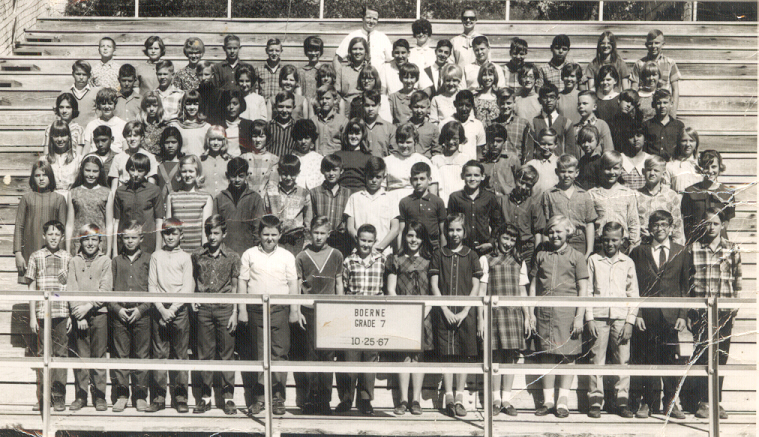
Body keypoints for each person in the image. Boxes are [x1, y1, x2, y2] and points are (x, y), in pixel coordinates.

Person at [628, 210, 691, 419]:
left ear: (671, 228)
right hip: (647, 316)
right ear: (649, 228)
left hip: (671, 316)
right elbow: (634, 286)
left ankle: (671, 402)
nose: (660, 229)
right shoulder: (639, 252)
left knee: (671, 360)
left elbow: (685, 286)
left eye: (664, 224)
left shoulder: (681, 251)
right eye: (655, 225)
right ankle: (647, 401)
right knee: (647, 359)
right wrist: (637, 313)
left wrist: (682, 314)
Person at [238, 215, 300, 416]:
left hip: (279, 309)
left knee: (279, 353)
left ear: (280, 235)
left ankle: (278, 398)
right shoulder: (249, 254)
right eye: (266, 234)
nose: (269, 239)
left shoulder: (287, 256)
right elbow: (242, 283)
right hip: (256, 310)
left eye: (274, 235)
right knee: (258, 353)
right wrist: (242, 309)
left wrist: (294, 310)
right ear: (259, 234)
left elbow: (293, 284)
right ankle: (259, 398)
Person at [530, 215, 588, 418]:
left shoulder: (577, 256)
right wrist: (531, 312)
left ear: (568, 232)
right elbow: (533, 286)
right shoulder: (541, 255)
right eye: (551, 232)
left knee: (567, 356)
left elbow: (583, 289)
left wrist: (579, 316)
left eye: (559, 231)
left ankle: (562, 401)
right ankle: (548, 401)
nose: (555, 235)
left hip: (567, 313)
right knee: (546, 354)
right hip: (545, 312)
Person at [688, 207, 741, 420]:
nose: (711, 227)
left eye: (715, 224)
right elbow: (688, 280)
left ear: (723, 225)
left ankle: (715, 401)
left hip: (723, 310)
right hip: (701, 310)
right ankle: (702, 402)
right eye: (707, 223)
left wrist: (734, 305)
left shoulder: (732, 248)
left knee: (721, 354)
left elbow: (737, 279)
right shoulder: (694, 248)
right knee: (702, 354)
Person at [430, 213, 482, 417]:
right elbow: (434, 285)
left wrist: (465, 311)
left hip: (465, 313)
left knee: (464, 355)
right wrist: (444, 309)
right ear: (446, 231)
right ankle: (449, 398)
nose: (454, 234)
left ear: (465, 232)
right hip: (444, 312)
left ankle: (460, 397)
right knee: (446, 355)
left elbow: (476, 286)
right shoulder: (439, 254)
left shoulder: (471, 255)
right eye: (451, 230)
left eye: (458, 230)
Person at [585, 221, 639, 419]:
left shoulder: (627, 262)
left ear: (622, 240)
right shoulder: (593, 260)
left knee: (622, 360)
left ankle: (622, 401)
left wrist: (630, 321)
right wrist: (589, 318)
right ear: (601, 239)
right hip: (598, 317)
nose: (610, 244)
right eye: (606, 240)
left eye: (614, 240)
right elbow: (588, 291)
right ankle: (595, 401)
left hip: (620, 317)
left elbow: (633, 294)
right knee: (596, 359)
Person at [191, 215, 241, 415]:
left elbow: (235, 287)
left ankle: (228, 398)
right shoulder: (197, 255)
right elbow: (194, 278)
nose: (212, 237)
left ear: (224, 234)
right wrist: (194, 297)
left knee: (227, 354)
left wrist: (235, 312)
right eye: (209, 233)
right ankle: (205, 397)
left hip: (225, 309)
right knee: (205, 354)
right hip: (204, 309)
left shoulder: (233, 257)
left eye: (216, 233)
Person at [479, 223, 531, 417]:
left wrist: (527, 316)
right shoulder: (486, 259)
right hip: (494, 314)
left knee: (510, 356)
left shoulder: (519, 261)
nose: (508, 243)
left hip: (513, 314)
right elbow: (482, 292)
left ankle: (506, 399)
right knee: (494, 357)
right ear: (498, 237)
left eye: (512, 240)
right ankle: (495, 400)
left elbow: (523, 291)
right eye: (505, 238)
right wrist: (481, 319)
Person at [295, 216, 345, 415]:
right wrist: (297, 310)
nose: (318, 237)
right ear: (310, 233)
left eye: (322, 233)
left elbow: (339, 283)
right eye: (315, 232)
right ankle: (310, 399)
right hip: (309, 310)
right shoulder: (302, 256)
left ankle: (324, 400)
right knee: (311, 355)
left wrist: (340, 308)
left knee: (327, 356)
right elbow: (298, 286)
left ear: (328, 234)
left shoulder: (336, 255)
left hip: (329, 311)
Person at [335, 223, 386, 415]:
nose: (366, 244)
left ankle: (365, 399)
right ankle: (346, 399)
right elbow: (343, 286)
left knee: (370, 357)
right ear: (357, 239)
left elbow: (384, 287)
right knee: (350, 357)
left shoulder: (382, 260)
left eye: (369, 241)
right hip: (353, 315)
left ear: (375, 241)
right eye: (363, 240)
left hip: (374, 316)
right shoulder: (349, 261)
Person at [145, 218, 194, 413]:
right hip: (160, 310)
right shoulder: (156, 256)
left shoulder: (186, 258)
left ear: (181, 235)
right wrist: (162, 309)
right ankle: (158, 398)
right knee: (160, 354)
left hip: (179, 310)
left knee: (180, 354)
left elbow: (187, 287)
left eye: (174, 233)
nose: (170, 237)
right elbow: (152, 284)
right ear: (162, 235)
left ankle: (180, 398)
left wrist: (172, 309)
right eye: (167, 233)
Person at [387, 221, 434, 416]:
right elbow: (391, 289)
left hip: (424, 314)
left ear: (423, 239)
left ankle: (416, 400)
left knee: (418, 356)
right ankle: (403, 400)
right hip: (402, 314)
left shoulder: (429, 261)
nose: (414, 240)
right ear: (404, 237)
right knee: (404, 356)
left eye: (417, 236)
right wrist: (404, 312)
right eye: (410, 235)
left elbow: (433, 291)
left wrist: (424, 311)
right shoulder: (395, 260)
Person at [26, 220, 72, 412]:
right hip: (42, 312)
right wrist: (32, 316)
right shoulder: (36, 256)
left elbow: (70, 288)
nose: (54, 238)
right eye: (50, 234)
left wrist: (70, 315)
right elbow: (31, 287)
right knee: (43, 354)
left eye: (57, 234)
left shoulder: (67, 257)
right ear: (44, 236)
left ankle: (59, 396)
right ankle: (43, 397)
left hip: (61, 312)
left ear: (62, 237)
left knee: (61, 353)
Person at [109, 221, 152, 412]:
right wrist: (117, 308)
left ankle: (140, 395)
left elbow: (153, 288)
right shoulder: (116, 261)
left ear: (141, 238)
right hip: (120, 314)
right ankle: (122, 395)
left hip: (142, 314)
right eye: (126, 237)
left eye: (134, 237)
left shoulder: (149, 259)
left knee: (141, 355)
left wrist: (141, 309)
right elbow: (109, 290)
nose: (129, 241)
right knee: (121, 355)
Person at [68, 224, 113, 412]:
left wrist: (89, 306)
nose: (90, 243)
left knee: (99, 355)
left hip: (99, 314)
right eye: (86, 239)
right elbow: (72, 288)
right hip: (80, 316)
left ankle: (100, 395)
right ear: (81, 241)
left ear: (100, 242)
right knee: (82, 356)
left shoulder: (105, 261)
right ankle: (81, 395)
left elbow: (106, 289)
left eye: (94, 239)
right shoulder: (74, 261)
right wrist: (78, 313)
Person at [15, 161, 67, 284]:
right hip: (30, 248)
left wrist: (63, 255)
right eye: (37, 175)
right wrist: (18, 253)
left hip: (53, 251)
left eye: (45, 175)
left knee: (50, 283)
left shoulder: (59, 199)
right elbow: (19, 226)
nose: (41, 179)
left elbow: (63, 229)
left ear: (51, 177)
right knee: (32, 284)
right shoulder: (27, 198)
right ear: (33, 178)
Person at [541, 154, 597, 258]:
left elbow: (589, 223)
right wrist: (546, 248)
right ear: (556, 172)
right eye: (563, 171)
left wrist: (589, 250)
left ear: (577, 173)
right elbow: (546, 224)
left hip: (579, 241)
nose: (566, 175)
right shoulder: (549, 194)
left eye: (570, 172)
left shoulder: (584, 195)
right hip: (557, 240)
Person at [345, 157, 400, 255]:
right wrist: (363, 245)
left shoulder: (391, 199)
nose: (374, 180)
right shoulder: (355, 198)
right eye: (371, 176)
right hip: (359, 252)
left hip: (384, 252)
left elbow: (395, 229)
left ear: (384, 177)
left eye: (378, 177)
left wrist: (379, 248)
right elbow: (350, 227)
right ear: (365, 176)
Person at [589, 151, 641, 252]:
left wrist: (633, 244)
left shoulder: (628, 193)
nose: (612, 172)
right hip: (600, 244)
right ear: (601, 169)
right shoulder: (592, 194)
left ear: (621, 170)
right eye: (608, 168)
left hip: (622, 245)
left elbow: (633, 221)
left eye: (615, 168)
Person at [112, 153, 163, 255]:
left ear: (147, 171)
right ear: (127, 169)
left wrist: (158, 249)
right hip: (125, 244)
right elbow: (116, 221)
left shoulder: (154, 190)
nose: (135, 174)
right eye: (132, 169)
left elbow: (159, 221)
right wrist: (115, 252)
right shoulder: (120, 191)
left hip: (148, 244)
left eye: (140, 171)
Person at [448, 160, 502, 256]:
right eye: (468, 175)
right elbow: (449, 224)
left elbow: (497, 222)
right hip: (462, 247)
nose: (472, 179)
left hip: (484, 247)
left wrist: (491, 242)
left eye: (476, 175)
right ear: (462, 176)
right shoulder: (455, 197)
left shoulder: (489, 197)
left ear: (482, 177)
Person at [213, 157, 265, 255]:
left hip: (248, 252)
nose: (237, 180)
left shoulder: (255, 198)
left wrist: (257, 252)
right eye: (233, 176)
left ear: (247, 176)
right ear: (227, 175)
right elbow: (214, 228)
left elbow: (258, 229)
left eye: (241, 176)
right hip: (225, 253)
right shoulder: (220, 198)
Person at [681, 149, 735, 243]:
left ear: (720, 167)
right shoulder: (690, 192)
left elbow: (726, 220)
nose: (710, 171)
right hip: (697, 241)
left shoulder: (727, 193)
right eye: (706, 167)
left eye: (714, 167)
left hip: (719, 242)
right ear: (700, 168)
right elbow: (686, 222)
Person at [263, 155, 313, 255]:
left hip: (296, 241)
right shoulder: (271, 193)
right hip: (276, 240)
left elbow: (308, 221)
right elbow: (265, 217)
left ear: (298, 173)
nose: (288, 178)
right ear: (279, 172)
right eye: (285, 174)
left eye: (292, 174)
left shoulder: (304, 193)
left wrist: (308, 241)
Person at [499, 164, 545, 271]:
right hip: (507, 246)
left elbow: (538, 231)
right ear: (516, 179)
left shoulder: (534, 204)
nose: (523, 187)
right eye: (521, 182)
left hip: (527, 249)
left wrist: (536, 254)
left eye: (528, 185)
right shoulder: (503, 201)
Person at [67, 155, 114, 255]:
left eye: (95, 171)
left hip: (100, 243)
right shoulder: (73, 192)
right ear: (82, 170)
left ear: (100, 172)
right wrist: (68, 251)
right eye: (88, 170)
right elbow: (70, 224)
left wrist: (109, 251)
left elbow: (109, 224)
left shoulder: (107, 193)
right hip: (78, 243)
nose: (91, 175)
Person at [166, 155, 214, 252]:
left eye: (191, 171)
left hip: (197, 250)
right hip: (176, 251)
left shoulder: (206, 197)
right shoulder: (172, 196)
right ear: (180, 173)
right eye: (184, 171)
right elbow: (168, 227)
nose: (187, 175)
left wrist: (203, 252)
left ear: (197, 173)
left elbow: (205, 229)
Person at [636, 155, 685, 245]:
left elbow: (677, 226)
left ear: (663, 173)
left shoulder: (671, 196)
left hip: (664, 244)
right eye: (649, 170)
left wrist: (677, 248)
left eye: (656, 170)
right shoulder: (636, 195)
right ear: (643, 171)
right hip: (642, 244)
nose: (652, 173)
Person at [631, 29, 680, 115]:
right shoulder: (639, 64)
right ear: (646, 45)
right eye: (650, 43)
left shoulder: (670, 63)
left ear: (663, 44)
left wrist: (673, 111)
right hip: (645, 106)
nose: (653, 46)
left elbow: (675, 89)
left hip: (662, 106)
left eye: (657, 43)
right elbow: (634, 88)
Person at [399, 162, 446, 251]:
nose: (418, 182)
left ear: (429, 180)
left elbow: (443, 232)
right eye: (415, 179)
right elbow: (401, 231)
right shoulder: (405, 202)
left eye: (422, 179)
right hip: (413, 245)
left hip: (433, 246)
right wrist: (400, 252)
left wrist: (443, 253)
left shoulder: (437, 201)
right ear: (410, 180)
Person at [384, 123, 439, 199]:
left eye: (408, 142)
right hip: (392, 199)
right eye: (401, 142)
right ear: (396, 142)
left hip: (417, 200)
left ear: (415, 142)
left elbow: (433, 187)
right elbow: (381, 188)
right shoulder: (387, 161)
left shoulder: (423, 160)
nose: (404, 146)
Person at [333, 4, 392, 69]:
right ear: (363, 18)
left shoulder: (383, 38)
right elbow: (337, 59)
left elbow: (391, 60)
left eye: (374, 19)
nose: (371, 21)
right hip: (356, 75)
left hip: (378, 75)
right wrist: (339, 75)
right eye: (369, 17)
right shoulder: (352, 36)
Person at [524, 84, 572, 160]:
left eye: (552, 97)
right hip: (539, 164)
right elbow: (529, 152)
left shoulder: (566, 123)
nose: (549, 100)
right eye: (545, 97)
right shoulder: (533, 123)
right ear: (539, 100)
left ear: (557, 99)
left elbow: (570, 152)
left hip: (560, 165)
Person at [109, 121, 159, 190]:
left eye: (135, 136)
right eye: (129, 136)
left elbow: (151, 186)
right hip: (124, 193)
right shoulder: (118, 158)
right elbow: (114, 187)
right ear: (125, 137)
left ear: (142, 137)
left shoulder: (150, 157)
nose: (132, 139)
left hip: (143, 193)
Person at [565, 91, 614, 159]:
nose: (581, 106)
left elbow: (608, 151)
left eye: (585, 103)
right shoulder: (575, 128)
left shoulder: (601, 125)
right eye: (579, 104)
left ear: (594, 107)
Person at [441, 90, 485, 161]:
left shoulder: (477, 125)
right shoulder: (445, 123)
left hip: (470, 166)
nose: (464, 109)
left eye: (468, 105)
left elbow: (479, 151)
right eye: (461, 105)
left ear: (472, 106)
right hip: (450, 164)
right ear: (455, 104)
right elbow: (440, 147)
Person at [431, 120, 468, 205]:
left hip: (462, 203)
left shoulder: (465, 159)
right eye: (448, 138)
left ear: (460, 139)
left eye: (455, 138)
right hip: (443, 203)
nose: (451, 142)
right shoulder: (436, 160)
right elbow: (433, 187)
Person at [239, 119, 279, 196]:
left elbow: (272, 186)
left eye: (261, 136)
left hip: (264, 199)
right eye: (254, 136)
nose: (257, 140)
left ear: (267, 137)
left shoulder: (273, 160)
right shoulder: (243, 158)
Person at [642, 89, 684, 160]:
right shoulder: (646, 125)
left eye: (665, 102)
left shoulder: (678, 125)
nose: (662, 106)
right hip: (652, 162)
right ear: (653, 105)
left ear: (671, 104)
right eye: (659, 103)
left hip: (672, 162)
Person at [83, 87, 126, 154]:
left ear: (114, 105)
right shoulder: (91, 125)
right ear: (99, 105)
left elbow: (125, 150)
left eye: (110, 103)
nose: (106, 107)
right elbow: (86, 149)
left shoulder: (122, 124)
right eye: (103, 104)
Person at [480, 123, 520, 197]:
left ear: (504, 141)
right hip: (489, 200)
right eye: (491, 140)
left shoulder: (512, 158)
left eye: (499, 141)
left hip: (508, 199)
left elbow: (518, 179)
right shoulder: (483, 161)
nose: (495, 144)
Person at [334, 118, 372, 192]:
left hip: (360, 193)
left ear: (362, 135)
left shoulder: (368, 157)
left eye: (357, 133)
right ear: (346, 134)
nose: (354, 136)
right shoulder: (338, 155)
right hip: (341, 193)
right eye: (351, 133)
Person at [492, 88, 529, 162]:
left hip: (516, 165)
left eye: (508, 103)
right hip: (497, 165)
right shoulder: (492, 124)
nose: (505, 107)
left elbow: (526, 150)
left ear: (514, 103)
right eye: (502, 103)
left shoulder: (523, 124)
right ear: (497, 103)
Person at [45, 120, 81, 196]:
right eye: (56, 136)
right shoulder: (45, 160)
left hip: (71, 197)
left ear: (69, 137)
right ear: (51, 138)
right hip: (51, 197)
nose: (60, 139)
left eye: (63, 135)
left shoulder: (77, 159)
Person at [172, 90, 211, 158]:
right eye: (188, 104)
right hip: (183, 162)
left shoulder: (206, 127)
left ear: (200, 106)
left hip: (201, 161)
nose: (192, 107)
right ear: (183, 105)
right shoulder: (176, 126)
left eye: (195, 104)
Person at [311, 85, 347, 156]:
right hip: (317, 159)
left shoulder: (343, 121)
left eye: (327, 98)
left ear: (335, 100)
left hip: (335, 159)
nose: (324, 101)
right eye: (321, 98)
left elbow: (346, 146)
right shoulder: (313, 121)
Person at [335, 37, 368, 115]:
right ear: (350, 51)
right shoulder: (342, 70)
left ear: (366, 52)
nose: (357, 52)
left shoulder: (370, 70)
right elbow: (336, 92)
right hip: (346, 110)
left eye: (361, 49)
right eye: (354, 49)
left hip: (365, 109)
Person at [199, 125, 232, 198]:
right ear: (208, 140)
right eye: (213, 139)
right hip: (205, 200)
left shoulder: (229, 160)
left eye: (219, 139)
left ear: (224, 141)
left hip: (225, 200)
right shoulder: (200, 160)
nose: (216, 143)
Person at [218, 88, 254, 157]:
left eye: (235, 104)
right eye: (228, 104)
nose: (231, 107)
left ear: (241, 105)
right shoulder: (219, 125)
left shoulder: (248, 125)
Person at [524, 128, 559, 196]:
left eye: (549, 144)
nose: (546, 147)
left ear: (556, 145)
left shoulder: (559, 163)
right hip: (536, 200)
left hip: (554, 200)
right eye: (543, 144)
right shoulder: (531, 164)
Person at [291, 119, 324, 190]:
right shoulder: (291, 158)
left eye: (307, 138)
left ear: (312, 139)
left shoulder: (319, 159)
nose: (303, 141)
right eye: (300, 138)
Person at [63, 60, 99, 126]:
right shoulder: (65, 92)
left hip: (90, 130)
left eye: (84, 74)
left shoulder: (96, 92)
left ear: (89, 76)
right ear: (73, 74)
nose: (81, 77)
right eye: (78, 74)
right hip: (70, 129)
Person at [666, 127, 701, 193]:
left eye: (691, 141)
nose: (687, 144)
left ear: (696, 143)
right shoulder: (670, 166)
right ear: (679, 143)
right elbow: (666, 191)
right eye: (684, 141)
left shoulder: (701, 164)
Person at [408, 90, 441, 158]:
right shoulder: (403, 127)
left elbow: (437, 151)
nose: (419, 111)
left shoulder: (433, 129)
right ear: (410, 107)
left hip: (426, 161)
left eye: (422, 107)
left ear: (428, 108)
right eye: (416, 107)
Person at [267, 91, 298, 158]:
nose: (284, 110)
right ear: (275, 106)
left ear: (293, 107)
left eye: (288, 107)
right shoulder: (268, 126)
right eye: (280, 106)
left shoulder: (297, 127)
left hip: (289, 162)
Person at [155, 126, 184, 196]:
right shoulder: (157, 163)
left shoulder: (183, 163)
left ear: (179, 143)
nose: (170, 146)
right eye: (167, 142)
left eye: (173, 142)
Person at [139, 91, 168, 156]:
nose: (151, 109)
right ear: (144, 107)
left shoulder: (164, 125)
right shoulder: (140, 126)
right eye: (148, 106)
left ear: (159, 106)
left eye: (155, 106)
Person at [575, 125, 603, 190]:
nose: (586, 145)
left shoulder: (600, 161)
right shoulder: (582, 160)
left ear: (597, 141)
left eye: (590, 141)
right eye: (583, 141)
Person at [473, 62, 500, 127]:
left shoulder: (498, 96)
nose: (487, 78)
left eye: (490, 75)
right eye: (484, 75)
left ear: (494, 76)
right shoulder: (475, 97)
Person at [298, 36, 324, 101]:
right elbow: (298, 94)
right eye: (310, 51)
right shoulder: (301, 72)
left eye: (316, 50)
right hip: (306, 104)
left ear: (321, 51)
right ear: (306, 52)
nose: (313, 53)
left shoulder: (325, 70)